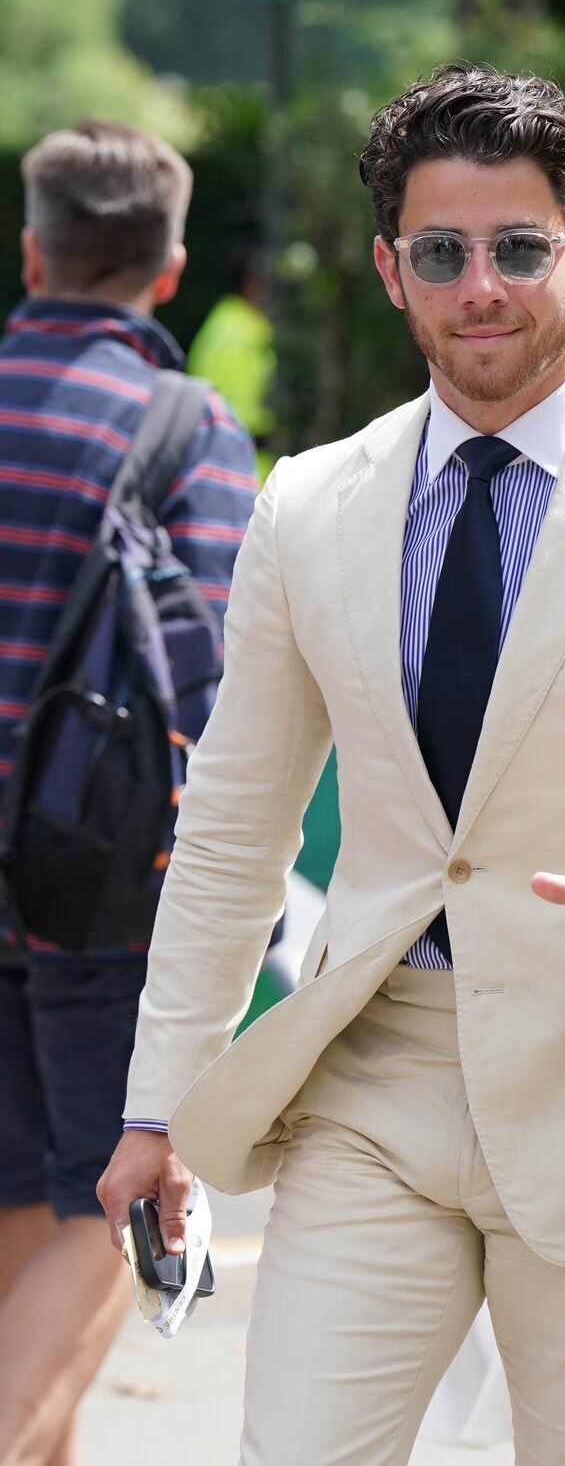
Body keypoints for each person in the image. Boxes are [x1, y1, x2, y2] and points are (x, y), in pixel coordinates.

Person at [98, 64, 565, 1466]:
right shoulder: (308, 503)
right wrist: (158, 1098)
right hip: (374, 1078)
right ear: (393, 270)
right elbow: (232, 827)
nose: (482, 288)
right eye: (442, 253)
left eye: (517, 248)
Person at [0, 122, 259, 1466]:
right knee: (114, 1215)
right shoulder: (188, 428)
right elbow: (222, 690)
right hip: (98, 892)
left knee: (18, 1222)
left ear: (33, 251)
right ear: (166, 274)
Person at [186, 234, 278, 481]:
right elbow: (241, 420)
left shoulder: (223, 324)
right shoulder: (242, 334)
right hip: (242, 475)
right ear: (251, 282)